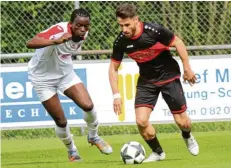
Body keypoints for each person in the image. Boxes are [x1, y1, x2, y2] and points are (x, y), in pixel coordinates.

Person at [109, 4, 199, 162]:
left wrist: (187, 68)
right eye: (121, 25)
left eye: (127, 25)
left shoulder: (154, 30)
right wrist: (116, 94)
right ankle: (158, 152)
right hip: (147, 81)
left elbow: (177, 42)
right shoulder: (121, 41)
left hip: (169, 77)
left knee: (182, 122)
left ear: (136, 20)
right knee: (141, 121)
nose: (124, 29)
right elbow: (113, 68)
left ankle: (187, 135)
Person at [26, 8, 112, 162]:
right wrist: (54, 41)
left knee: (88, 105)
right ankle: (72, 151)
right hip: (42, 78)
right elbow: (30, 43)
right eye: (79, 26)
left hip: (65, 74)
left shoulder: (84, 34)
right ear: (71, 24)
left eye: (86, 26)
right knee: (61, 121)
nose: (83, 29)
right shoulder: (58, 31)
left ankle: (93, 137)